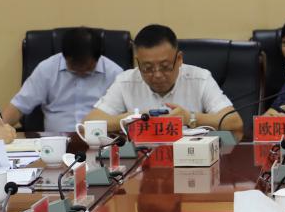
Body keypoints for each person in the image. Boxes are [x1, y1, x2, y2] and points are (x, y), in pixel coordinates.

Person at [85, 24, 241, 136]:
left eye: (165, 66)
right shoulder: (125, 81)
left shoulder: (200, 78)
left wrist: (190, 118)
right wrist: (129, 119)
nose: (157, 74)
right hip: (141, 163)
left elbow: (234, 123)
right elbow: (88, 124)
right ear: (137, 62)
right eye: (147, 68)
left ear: (179, 59)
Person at [2, 26, 124, 133]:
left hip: (100, 140)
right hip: (55, 141)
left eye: (87, 68)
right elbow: (19, 106)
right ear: (64, 56)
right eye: (74, 67)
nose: (80, 71)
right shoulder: (47, 69)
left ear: (98, 58)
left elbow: (125, 116)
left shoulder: (115, 73)